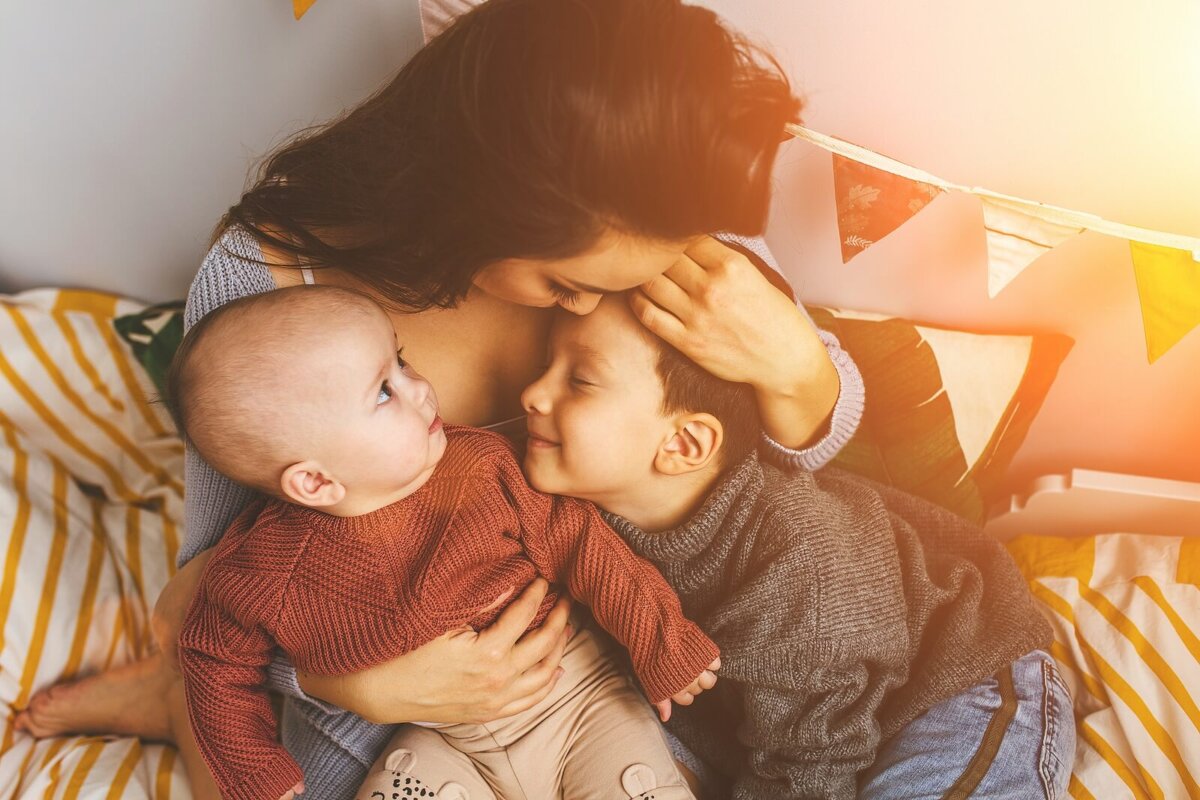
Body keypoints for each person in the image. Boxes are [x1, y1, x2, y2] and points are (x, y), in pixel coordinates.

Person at [13, 1, 865, 797]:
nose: (584, 307)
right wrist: (344, 681)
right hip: (400, 701)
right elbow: (212, 587)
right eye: (564, 282)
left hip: (625, 660)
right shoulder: (273, 286)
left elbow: (797, 465)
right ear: (480, 204)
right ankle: (172, 703)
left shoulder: (662, 213)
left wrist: (798, 369)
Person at [515, 290, 1076, 799]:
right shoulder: (574, 511)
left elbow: (810, 766)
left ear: (684, 443)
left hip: (956, 688)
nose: (531, 394)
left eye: (580, 381)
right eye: (546, 367)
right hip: (776, 713)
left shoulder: (796, 566)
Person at [168, 285, 719, 800]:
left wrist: (660, 640)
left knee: (634, 785)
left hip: (578, 698)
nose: (421, 388)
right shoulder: (261, 570)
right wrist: (255, 769)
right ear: (314, 481)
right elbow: (212, 661)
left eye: (401, 361)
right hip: (442, 739)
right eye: (385, 392)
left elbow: (583, 543)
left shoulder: (480, 466)